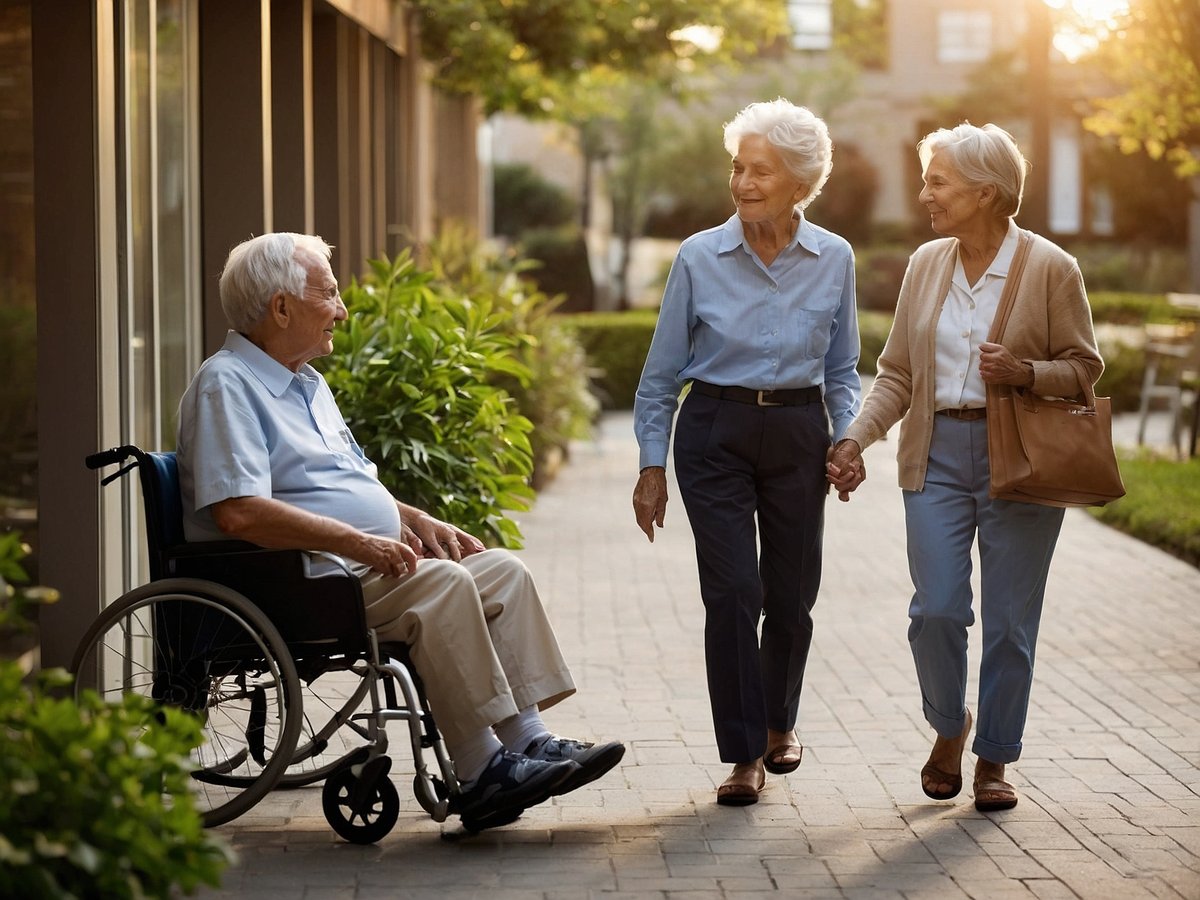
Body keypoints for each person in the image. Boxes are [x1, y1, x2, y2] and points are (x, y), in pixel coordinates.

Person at [176, 232, 624, 829]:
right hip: (302, 580)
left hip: (351, 567)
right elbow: (239, 512)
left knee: (501, 572)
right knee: (443, 586)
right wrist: (357, 541)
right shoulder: (227, 384)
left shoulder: (305, 383)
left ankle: (529, 741)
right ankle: (480, 768)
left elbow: (346, 480)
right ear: (281, 308)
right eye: (328, 294)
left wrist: (411, 517)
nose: (341, 310)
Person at [827, 123, 1103, 813]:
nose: (925, 195)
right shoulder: (927, 264)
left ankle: (994, 758)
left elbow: (1083, 369)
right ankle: (950, 725)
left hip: (1021, 462)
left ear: (986, 192)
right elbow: (897, 373)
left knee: (1010, 623)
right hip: (937, 454)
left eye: (937, 182)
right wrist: (855, 439)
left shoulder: (1051, 268)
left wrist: (1025, 372)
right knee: (938, 610)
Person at [632, 99, 862, 806]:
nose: (743, 183)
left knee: (791, 594)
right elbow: (660, 376)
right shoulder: (699, 255)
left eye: (761, 171)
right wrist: (650, 466)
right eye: (738, 168)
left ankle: (777, 721)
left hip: (798, 432)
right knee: (734, 592)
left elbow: (843, 370)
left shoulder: (834, 258)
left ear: (800, 183)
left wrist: (848, 436)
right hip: (715, 432)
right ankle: (743, 754)